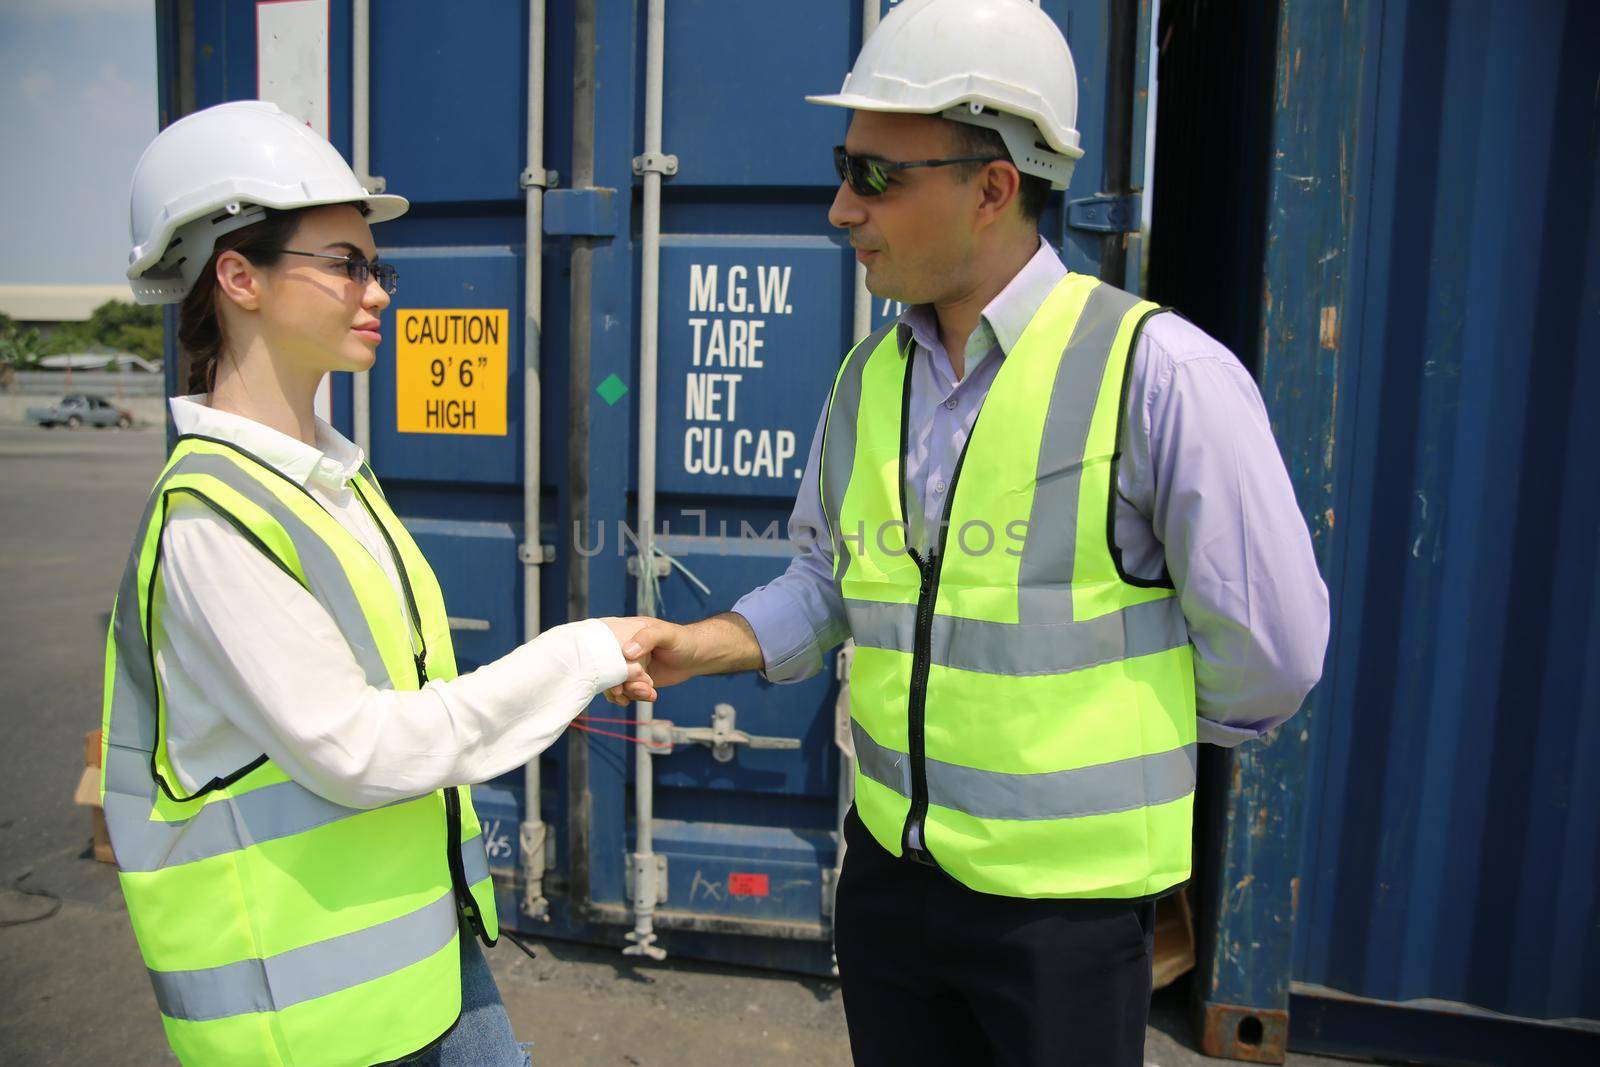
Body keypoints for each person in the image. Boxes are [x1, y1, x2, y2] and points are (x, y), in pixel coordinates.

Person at [612, 1, 1330, 1063]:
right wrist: (697, 645)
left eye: (874, 176)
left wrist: (1120, 747)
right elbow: (829, 579)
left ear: (993, 186)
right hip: (893, 886)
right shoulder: (869, 379)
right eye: (843, 167)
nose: (839, 209)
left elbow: (1270, 657)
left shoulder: (1157, 374)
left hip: (1062, 916)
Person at [103, 100, 655, 1067]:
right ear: (239, 276)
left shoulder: (327, 479)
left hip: (418, 958)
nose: (378, 292)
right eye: (344, 262)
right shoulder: (210, 522)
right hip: (305, 1017)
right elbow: (355, 745)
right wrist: (576, 655)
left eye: (376, 265)